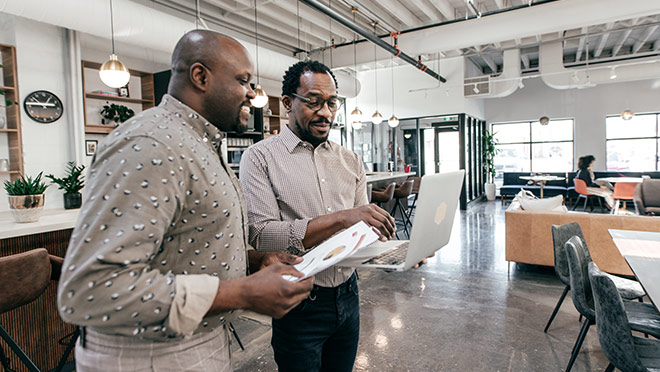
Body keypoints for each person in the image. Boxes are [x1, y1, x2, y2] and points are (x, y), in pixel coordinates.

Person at [57, 30, 313, 371]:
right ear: (200, 76)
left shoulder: (195, 142)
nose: (252, 94)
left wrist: (252, 262)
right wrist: (244, 293)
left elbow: (185, 246)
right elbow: (93, 288)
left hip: (193, 342)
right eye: (243, 81)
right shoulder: (151, 143)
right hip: (150, 356)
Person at [240, 60, 408, 372]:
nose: (326, 112)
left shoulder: (351, 161)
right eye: (314, 101)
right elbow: (261, 235)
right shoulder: (260, 157)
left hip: (349, 294)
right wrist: (342, 218)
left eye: (332, 102)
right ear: (289, 103)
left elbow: (362, 235)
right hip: (299, 301)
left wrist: (395, 255)